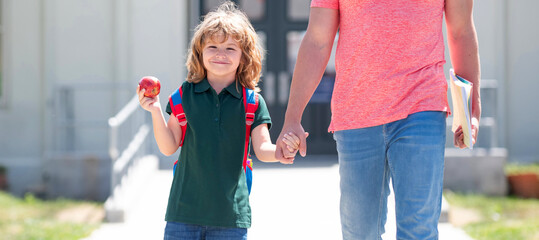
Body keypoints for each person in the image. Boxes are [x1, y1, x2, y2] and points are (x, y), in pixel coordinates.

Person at [275, 0, 481, 239]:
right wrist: (292, 117)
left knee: (418, 230)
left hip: (422, 104)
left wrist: (470, 111)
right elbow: (317, 40)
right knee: (360, 233)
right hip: (356, 112)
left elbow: (461, 31)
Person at [137, 2, 300, 239]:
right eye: (212, 46)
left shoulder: (253, 102)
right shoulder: (183, 96)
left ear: (244, 57)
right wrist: (154, 111)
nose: (220, 53)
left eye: (230, 48)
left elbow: (262, 147)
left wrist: (279, 152)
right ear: (199, 53)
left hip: (230, 218)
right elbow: (168, 146)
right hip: (182, 214)